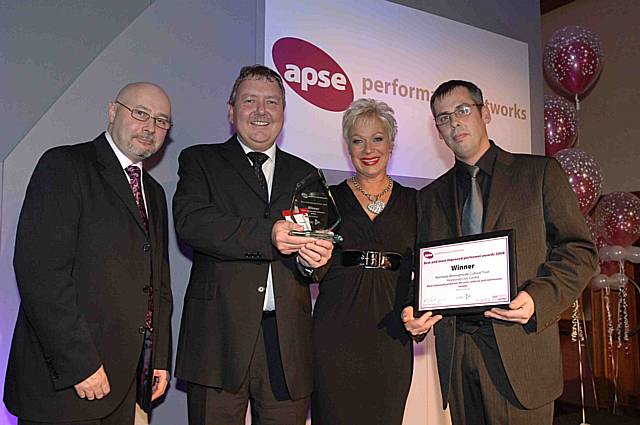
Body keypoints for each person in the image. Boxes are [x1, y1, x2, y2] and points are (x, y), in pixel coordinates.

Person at [402, 80, 597, 425]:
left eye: (463, 111)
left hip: (522, 350)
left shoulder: (538, 173)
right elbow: (422, 269)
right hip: (459, 354)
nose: (454, 123)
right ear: (438, 131)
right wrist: (415, 313)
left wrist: (537, 299)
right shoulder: (429, 197)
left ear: (485, 112)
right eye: (443, 118)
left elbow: (579, 250)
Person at [4, 82, 174, 424]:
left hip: (127, 387)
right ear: (113, 112)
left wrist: (157, 358)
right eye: (140, 113)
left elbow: (157, 283)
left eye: (161, 121)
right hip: (67, 386)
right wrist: (79, 365)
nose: (150, 127)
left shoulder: (153, 193)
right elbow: (41, 275)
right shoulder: (65, 166)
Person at [173, 64, 333, 425]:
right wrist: (268, 235)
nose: (261, 111)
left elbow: (319, 257)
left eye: (272, 102)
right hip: (217, 341)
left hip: (287, 347)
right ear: (231, 111)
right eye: (250, 101)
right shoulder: (200, 160)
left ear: (283, 113)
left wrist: (314, 260)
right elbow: (192, 224)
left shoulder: (307, 173)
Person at [311, 98, 441, 425]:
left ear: (392, 143)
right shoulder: (328, 198)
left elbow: (427, 271)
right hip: (334, 334)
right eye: (358, 140)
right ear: (347, 146)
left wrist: (420, 312)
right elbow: (311, 267)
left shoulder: (416, 202)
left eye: (377, 138)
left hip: (391, 335)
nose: (368, 148)